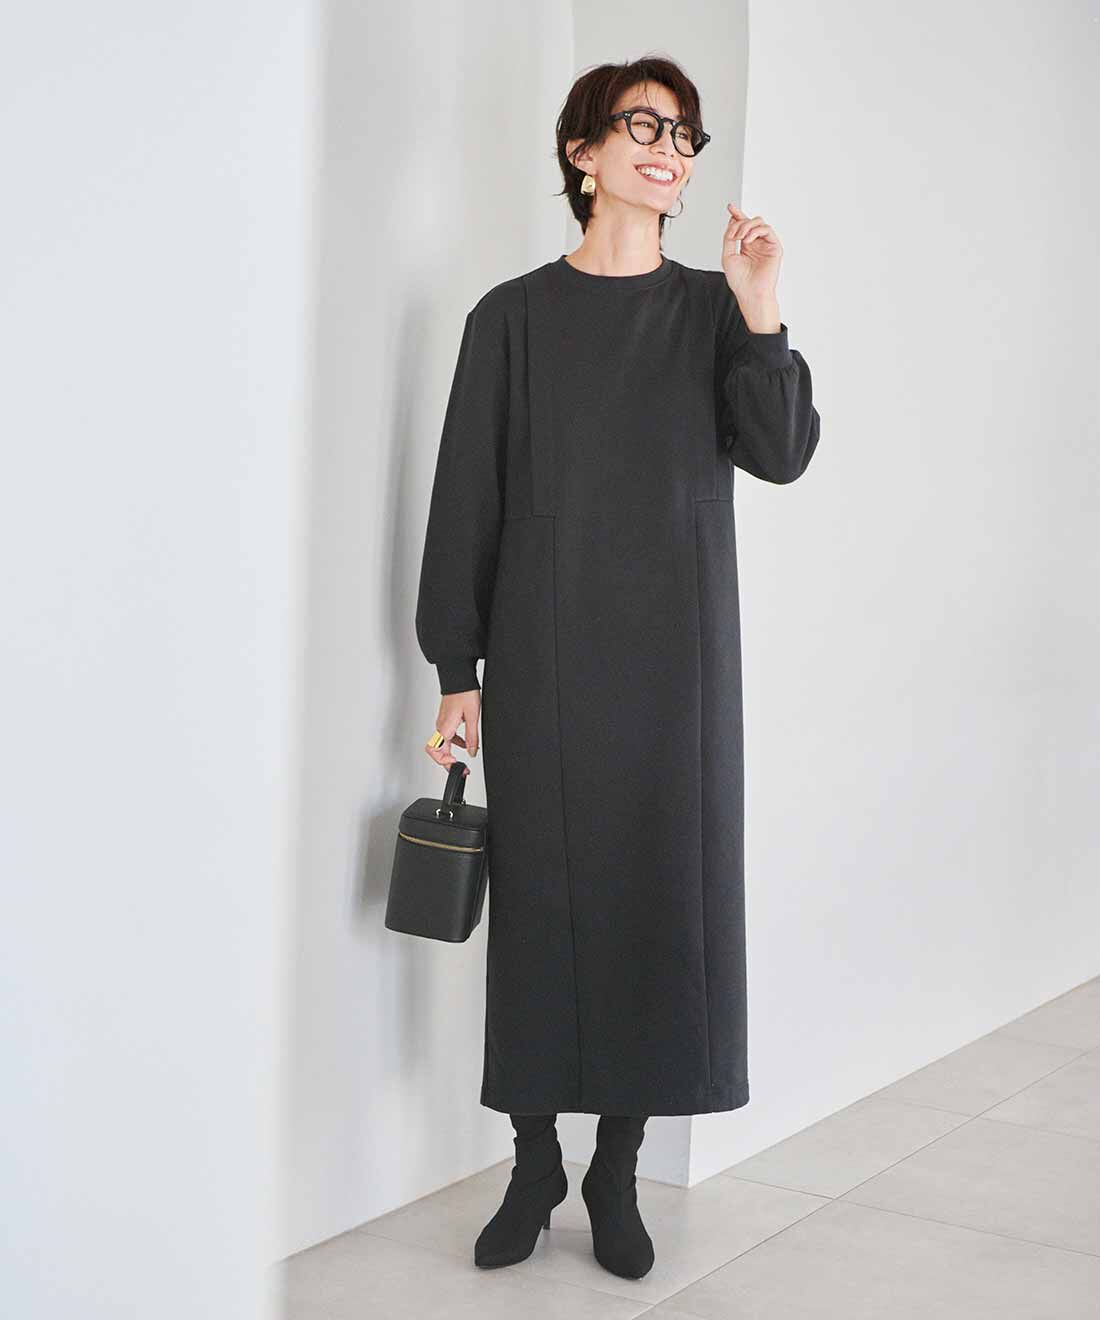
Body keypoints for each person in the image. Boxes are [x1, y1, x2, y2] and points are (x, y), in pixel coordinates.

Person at [414, 56, 821, 1278]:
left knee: (656, 900)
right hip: (542, 653)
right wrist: (455, 666)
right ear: (581, 150)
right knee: (543, 909)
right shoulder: (510, 318)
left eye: (683, 134)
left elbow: (780, 452)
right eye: (643, 123)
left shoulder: (712, 310)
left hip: (677, 661)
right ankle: (534, 1160)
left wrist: (761, 305)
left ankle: (615, 1166)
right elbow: (465, 497)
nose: (667, 146)